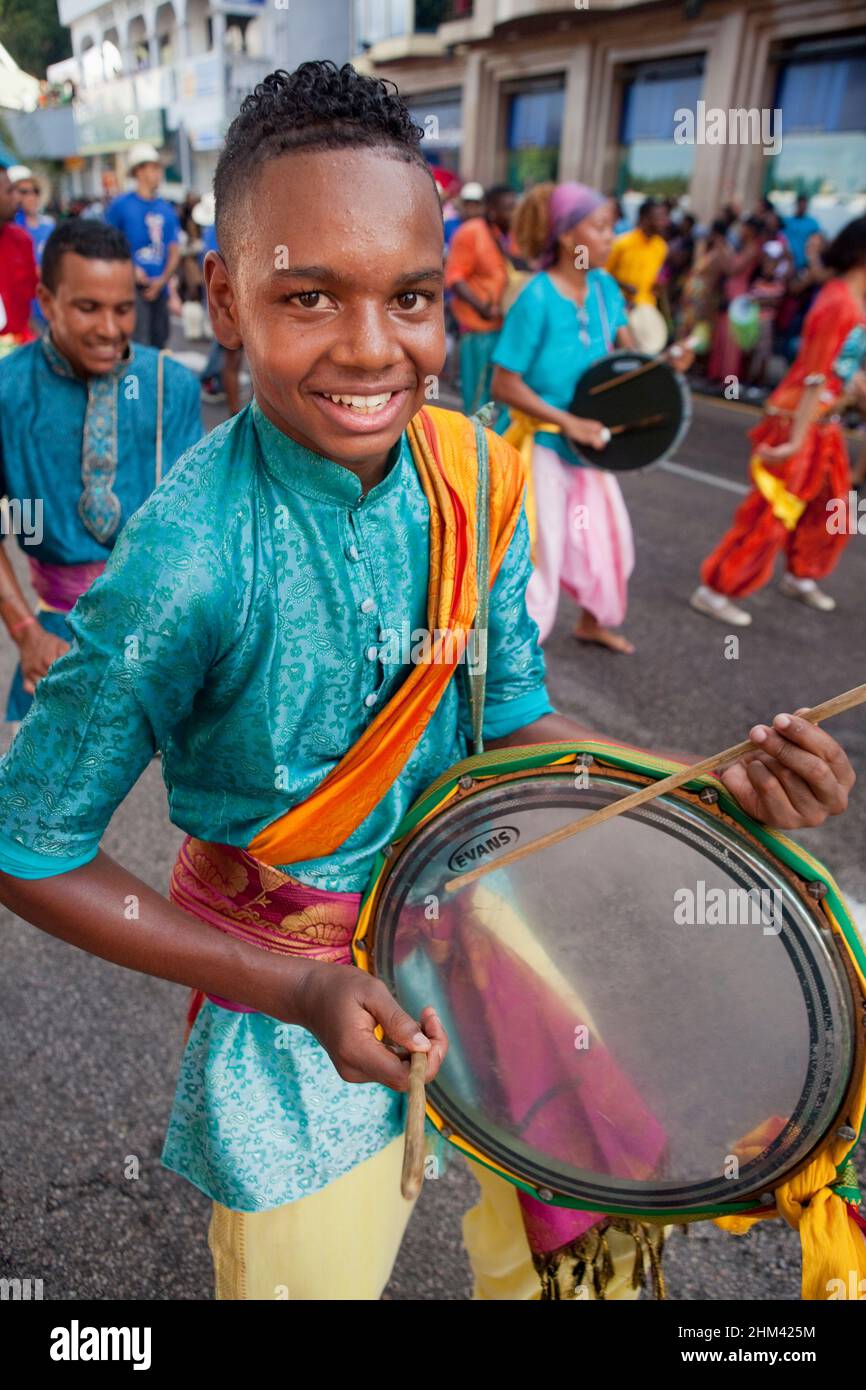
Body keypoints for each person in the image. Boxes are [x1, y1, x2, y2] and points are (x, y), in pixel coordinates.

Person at [0, 62, 853, 1306]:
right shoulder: (182, 565)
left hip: (482, 935)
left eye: (408, 296)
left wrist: (707, 786)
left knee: (561, 1272)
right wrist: (295, 985)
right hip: (297, 1025)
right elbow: (30, 848)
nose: (371, 348)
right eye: (308, 297)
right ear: (224, 306)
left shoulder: (473, 476)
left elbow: (505, 717)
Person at [0, 218, 202, 721]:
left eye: (123, 309)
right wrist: (27, 631)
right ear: (47, 303)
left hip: (168, 637)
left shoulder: (169, 385)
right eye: (89, 308)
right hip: (56, 644)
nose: (110, 329)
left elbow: (203, 527)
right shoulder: (8, 392)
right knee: (41, 795)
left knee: (194, 794)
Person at [490, 183, 692, 655]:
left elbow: (629, 357)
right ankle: (514, 662)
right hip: (540, 448)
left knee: (608, 546)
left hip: (590, 446)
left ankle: (591, 622)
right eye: (601, 227)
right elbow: (505, 384)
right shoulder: (535, 298)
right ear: (565, 236)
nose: (611, 237)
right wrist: (567, 421)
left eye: (611, 225)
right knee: (540, 553)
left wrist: (664, 363)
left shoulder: (603, 289)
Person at [691, 216, 866, 627]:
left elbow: (839, 368)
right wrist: (795, 441)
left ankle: (802, 573)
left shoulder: (854, 300)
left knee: (833, 503)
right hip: (797, 420)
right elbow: (814, 375)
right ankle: (717, 587)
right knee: (773, 511)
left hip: (824, 420)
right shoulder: (839, 301)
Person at [445, 183, 516, 413]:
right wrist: (482, 309)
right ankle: (473, 447)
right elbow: (454, 278)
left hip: (501, 328)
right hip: (477, 330)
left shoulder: (505, 236)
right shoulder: (471, 233)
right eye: (508, 208)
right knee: (477, 402)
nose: (514, 213)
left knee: (500, 399)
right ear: (493, 210)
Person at [105, 142, 181, 349]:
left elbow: (174, 251)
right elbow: (108, 244)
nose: (159, 173)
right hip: (131, 291)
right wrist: (130, 268)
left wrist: (163, 281)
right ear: (139, 170)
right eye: (154, 167)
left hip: (160, 289)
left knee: (159, 346)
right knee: (137, 346)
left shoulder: (166, 209)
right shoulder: (120, 206)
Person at [8, 165, 55, 324]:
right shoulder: (11, 230)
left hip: (51, 305)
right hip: (25, 311)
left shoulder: (49, 225)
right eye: (24, 191)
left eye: (34, 190)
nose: (31, 196)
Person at [0, 165, 38, 356]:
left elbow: (28, 305)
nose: (17, 198)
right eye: (9, 191)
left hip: (21, 351)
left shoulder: (22, 240)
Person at [605, 197, 668, 309]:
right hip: (619, 304)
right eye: (659, 218)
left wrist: (657, 286)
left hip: (647, 305)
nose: (664, 222)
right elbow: (601, 273)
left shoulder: (661, 247)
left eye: (665, 217)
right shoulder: (622, 243)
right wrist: (623, 285)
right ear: (645, 219)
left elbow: (655, 277)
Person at [785, 193, 822, 272]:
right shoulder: (786, 221)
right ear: (796, 204)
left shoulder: (813, 223)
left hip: (805, 264)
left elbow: (818, 241)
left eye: (804, 205)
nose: (802, 207)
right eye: (800, 204)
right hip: (788, 263)